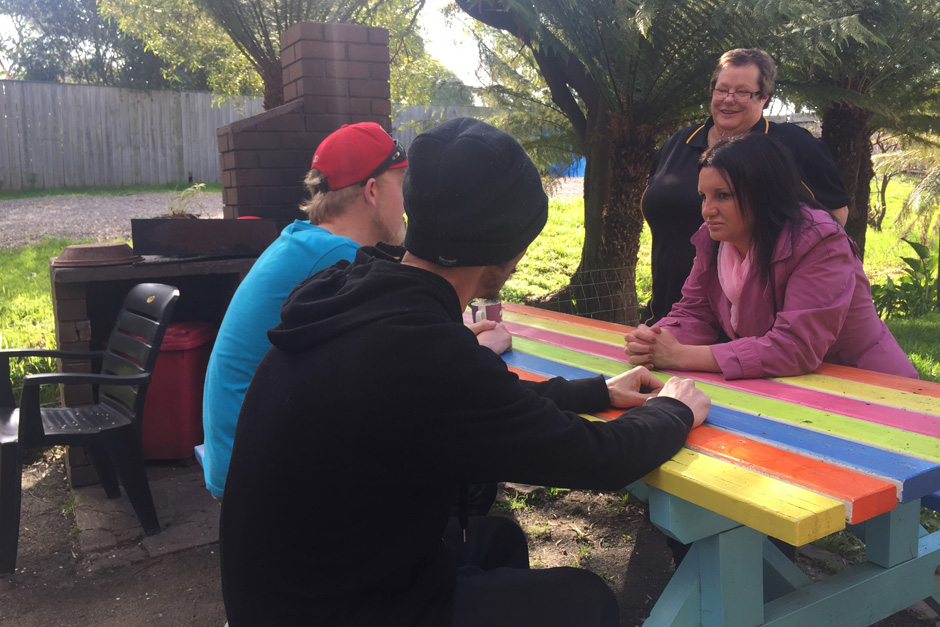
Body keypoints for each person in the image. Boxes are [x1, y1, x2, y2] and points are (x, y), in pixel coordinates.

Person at [220, 117, 711, 627]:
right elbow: (598, 460)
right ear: (511, 249)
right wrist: (675, 410)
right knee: (584, 601)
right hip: (338, 609)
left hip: (286, 591)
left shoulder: (360, 291)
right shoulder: (422, 349)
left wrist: (596, 391)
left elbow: (479, 400)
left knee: (495, 540)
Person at [202, 122, 509, 499]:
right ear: (372, 190)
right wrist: (473, 349)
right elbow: (418, 362)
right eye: (403, 184)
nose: (410, 203)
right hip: (261, 470)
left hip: (241, 450)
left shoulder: (303, 240)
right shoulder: (340, 260)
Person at [625, 132, 917, 380]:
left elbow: (795, 347)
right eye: (704, 196)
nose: (707, 210)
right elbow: (695, 313)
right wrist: (653, 340)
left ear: (763, 192)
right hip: (790, 387)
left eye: (722, 195)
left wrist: (680, 356)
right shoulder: (714, 240)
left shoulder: (821, 242)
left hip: (869, 386)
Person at [641, 48, 851, 325]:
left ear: (764, 97)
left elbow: (834, 220)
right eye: (722, 89)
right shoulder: (678, 143)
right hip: (673, 313)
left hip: (758, 326)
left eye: (743, 92)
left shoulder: (792, 146)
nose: (729, 99)